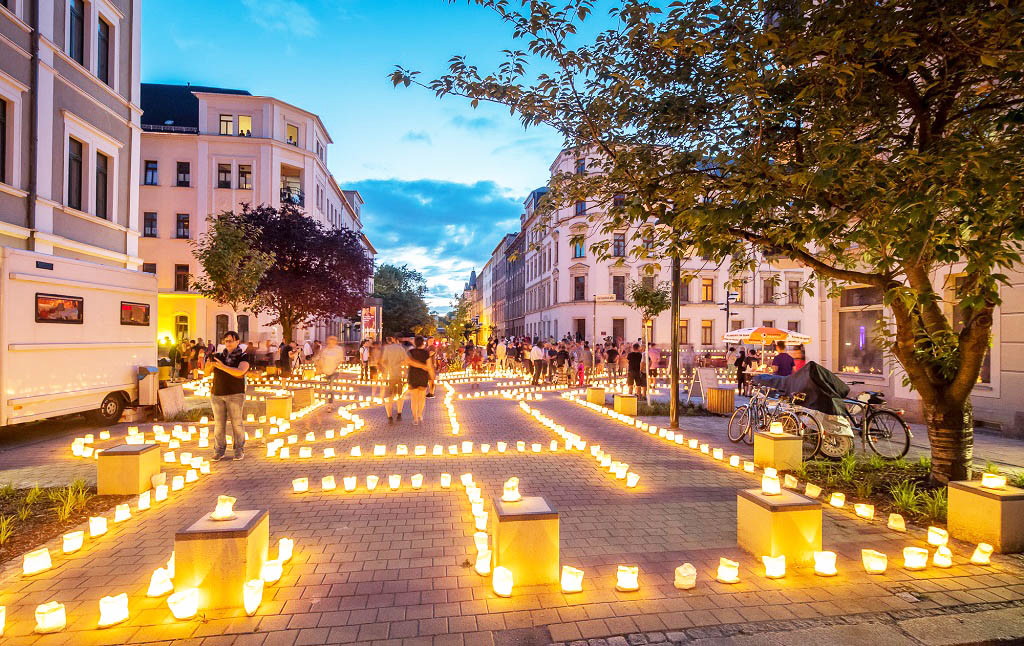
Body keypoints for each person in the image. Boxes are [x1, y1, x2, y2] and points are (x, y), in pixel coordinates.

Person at [204, 331, 251, 461]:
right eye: (226, 341)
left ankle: (239, 450)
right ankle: (219, 451)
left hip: (235, 394)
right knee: (219, 425)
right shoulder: (219, 356)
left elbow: (240, 372)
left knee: (237, 423)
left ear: (237, 342)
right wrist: (209, 365)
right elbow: (206, 373)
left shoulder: (243, 356)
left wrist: (222, 366)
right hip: (217, 394)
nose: (228, 343)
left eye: (231, 341)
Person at [379, 336, 408, 423]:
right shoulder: (400, 349)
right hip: (399, 374)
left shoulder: (386, 349)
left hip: (389, 375)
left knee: (389, 396)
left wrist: (387, 367)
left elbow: (383, 361)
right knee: (400, 395)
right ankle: (399, 413)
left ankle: (390, 416)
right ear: (396, 340)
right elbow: (406, 360)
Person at [407, 336, 434, 424]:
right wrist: (432, 375)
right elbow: (429, 366)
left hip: (412, 376)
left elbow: (406, 362)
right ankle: (420, 414)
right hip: (423, 377)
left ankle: (415, 418)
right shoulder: (426, 353)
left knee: (414, 399)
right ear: (423, 343)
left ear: (415, 342)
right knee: (421, 398)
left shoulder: (410, 352)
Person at [317, 335, 346, 402]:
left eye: (333, 341)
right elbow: (321, 358)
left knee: (331, 387)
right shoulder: (325, 350)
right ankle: (325, 400)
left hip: (334, 371)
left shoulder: (338, 349)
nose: (331, 343)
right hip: (325, 371)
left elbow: (341, 360)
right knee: (326, 387)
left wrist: (337, 367)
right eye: (330, 341)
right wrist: (319, 367)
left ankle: (330, 403)